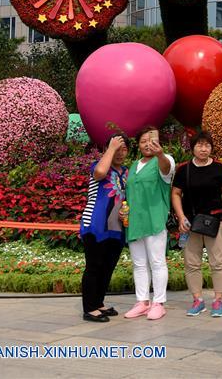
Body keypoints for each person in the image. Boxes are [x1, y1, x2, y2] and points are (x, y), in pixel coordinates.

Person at [171, 131, 222, 318]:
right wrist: (181, 217)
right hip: (190, 222)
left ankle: (218, 300)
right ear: (193, 147)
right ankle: (197, 300)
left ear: (211, 148)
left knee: (218, 262)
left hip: (215, 221)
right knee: (192, 263)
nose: (203, 149)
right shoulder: (184, 169)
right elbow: (175, 194)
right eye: (199, 145)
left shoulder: (219, 169)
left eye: (207, 145)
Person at [124, 126, 175, 321]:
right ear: (138, 144)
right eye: (143, 141)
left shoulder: (164, 159)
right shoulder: (134, 165)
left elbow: (166, 170)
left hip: (154, 220)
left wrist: (160, 154)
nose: (148, 144)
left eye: (151, 140)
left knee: (157, 262)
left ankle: (158, 303)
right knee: (138, 264)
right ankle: (142, 302)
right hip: (135, 222)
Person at [80, 134, 128, 322]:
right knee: (94, 266)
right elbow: (100, 172)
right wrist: (111, 148)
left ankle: (98, 303)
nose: (119, 152)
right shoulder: (98, 166)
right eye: (115, 148)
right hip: (95, 224)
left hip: (116, 227)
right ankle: (89, 308)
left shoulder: (125, 172)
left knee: (107, 267)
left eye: (123, 148)